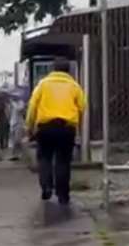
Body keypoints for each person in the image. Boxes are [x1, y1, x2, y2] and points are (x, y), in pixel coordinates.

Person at [26, 59, 86, 205]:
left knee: (45, 158)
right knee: (63, 160)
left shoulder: (43, 85)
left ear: (52, 70)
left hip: (45, 127)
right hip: (67, 128)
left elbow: (32, 107)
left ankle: (46, 187)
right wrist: (78, 127)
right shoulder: (74, 86)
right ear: (68, 71)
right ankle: (63, 194)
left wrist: (29, 127)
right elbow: (82, 107)